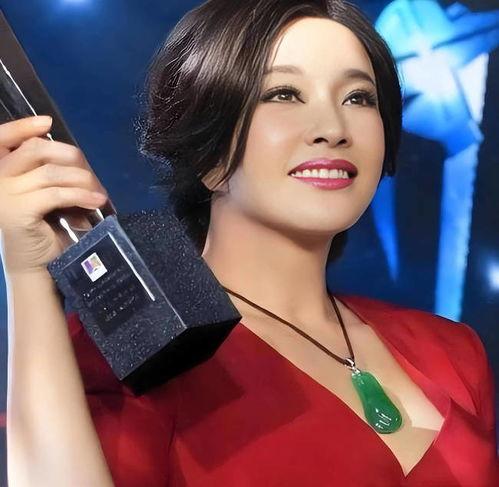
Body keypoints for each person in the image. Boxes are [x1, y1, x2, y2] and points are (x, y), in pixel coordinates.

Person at [2, 0, 496, 485]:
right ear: (208, 148)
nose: (333, 129)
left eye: (358, 98)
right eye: (283, 93)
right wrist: (28, 277)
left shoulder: (452, 351)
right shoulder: (128, 350)